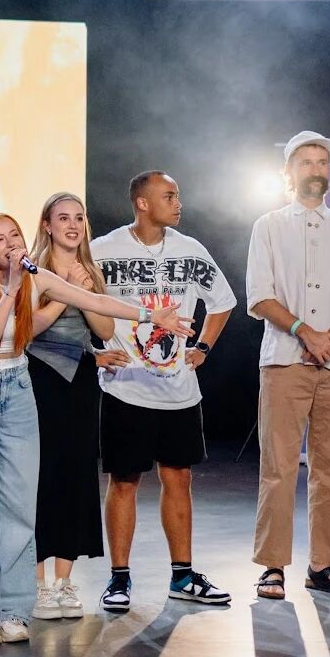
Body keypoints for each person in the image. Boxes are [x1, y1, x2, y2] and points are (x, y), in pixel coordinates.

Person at [0, 213, 191, 644]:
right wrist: (12, 288)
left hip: (16, 384)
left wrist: (152, 317)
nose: (11, 244)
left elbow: (95, 302)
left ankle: (14, 608)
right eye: (0, 240)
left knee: (19, 504)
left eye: (14, 235)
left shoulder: (37, 279)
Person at [90, 172, 235, 613]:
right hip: (126, 388)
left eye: (178, 196)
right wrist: (94, 352)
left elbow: (223, 301)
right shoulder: (103, 250)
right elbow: (77, 304)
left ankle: (183, 577)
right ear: (142, 202)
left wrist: (202, 348)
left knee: (179, 478)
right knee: (124, 481)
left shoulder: (190, 250)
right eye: (169, 196)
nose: (178, 203)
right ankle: (119, 579)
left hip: (178, 391)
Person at [245, 132, 330, 603]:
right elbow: (259, 295)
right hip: (285, 360)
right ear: (288, 172)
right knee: (278, 465)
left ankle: (323, 564)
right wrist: (306, 332)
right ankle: (272, 566)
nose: (315, 169)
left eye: (322, 161)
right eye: (306, 162)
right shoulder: (268, 226)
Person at [26, 192, 124, 620]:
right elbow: (25, 330)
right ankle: (35, 584)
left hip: (80, 382)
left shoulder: (91, 270)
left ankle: (63, 582)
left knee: (74, 476)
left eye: (79, 218)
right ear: (47, 225)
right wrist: (66, 293)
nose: (72, 225)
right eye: (63, 218)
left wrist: (86, 290)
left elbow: (105, 330)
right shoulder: (32, 268)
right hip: (37, 377)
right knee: (39, 477)